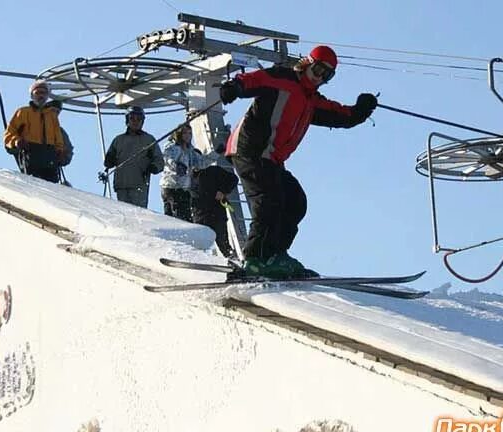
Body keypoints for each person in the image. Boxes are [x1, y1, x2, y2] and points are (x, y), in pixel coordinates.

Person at [220, 45, 378, 278]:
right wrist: (235, 87)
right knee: (269, 201)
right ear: (307, 63)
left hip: (271, 160)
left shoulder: (311, 100)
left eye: (327, 75)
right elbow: (255, 80)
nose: (320, 77)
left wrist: (362, 110)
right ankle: (254, 258)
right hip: (250, 151)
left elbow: (341, 115)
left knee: (295, 201)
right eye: (319, 69)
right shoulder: (283, 78)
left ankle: (275, 255)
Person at [3, 79, 65, 183]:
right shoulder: (23, 112)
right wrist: (16, 141)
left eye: (44, 93)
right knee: (33, 184)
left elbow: (58, 137)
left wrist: (60, 151)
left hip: (49, 155)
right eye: (38, 93)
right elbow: (9, 133)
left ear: (47, 96)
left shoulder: (52, 116)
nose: (41, 96)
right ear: (32, 96)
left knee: (52, 187)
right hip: (31, 152)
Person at [104, 106, 164, 208]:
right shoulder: (119, 140)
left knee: (138, 214)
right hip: (122, 185)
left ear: (142, 121)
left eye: (138, 119)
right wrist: (109, 160)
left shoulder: (148, 140)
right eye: (132, 118)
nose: (135, 122)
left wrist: (153, 167)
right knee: (124, 213)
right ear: (127, 120)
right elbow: (108, 160)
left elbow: (159, 160)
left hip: (139, 184)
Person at [190, 147, 239, 259]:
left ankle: (233, 261)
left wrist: (223, 191)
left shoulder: (214, 170)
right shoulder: (187, 177)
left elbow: (233, 179)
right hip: (200, 216)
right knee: (199, 244)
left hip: (217, 213)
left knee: (223, 242)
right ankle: (199, 261)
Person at [159, 124, 202, 222]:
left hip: (184, 187)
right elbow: (168, 159)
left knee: (185, 217)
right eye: (185, 133)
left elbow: (201, 162)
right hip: (171, 186)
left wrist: (216, 153)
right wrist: (177, 166)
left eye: (190, 133)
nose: (188, 136)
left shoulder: (190, 151)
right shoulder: (172, 146)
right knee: (176, 215)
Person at [45, 100, 74, 167]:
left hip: (51, 169)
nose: (54, 114)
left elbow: (68, 151)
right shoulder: (34, 127)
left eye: (57, 112)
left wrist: (63, 157)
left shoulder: (60, 132)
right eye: (52, 110)